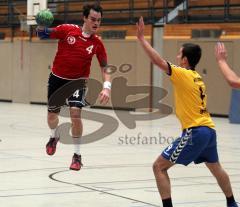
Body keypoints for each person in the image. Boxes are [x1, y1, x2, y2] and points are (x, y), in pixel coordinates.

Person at [136, 17, 238, 207]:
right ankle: (232, 203)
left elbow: (157, 61)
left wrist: (142, 39)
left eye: (178, 54)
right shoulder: (198, 77)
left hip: (195, 132)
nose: (176, 57)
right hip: (209, 131)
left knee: (158, 167)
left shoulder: (182, 73)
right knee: (216, 168)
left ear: (184, 60)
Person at [36, 3, 111, 171]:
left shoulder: (97, 43)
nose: (96, 23)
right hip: (57, 79)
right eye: (93, 19)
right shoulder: (67, 30)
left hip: (77, 82)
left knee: (75, 115)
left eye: (99, 20)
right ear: (84, 18)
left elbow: (105, 67)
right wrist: (41, 24)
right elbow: (42, 34)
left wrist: (106, 86)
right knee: (51, 117)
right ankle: (54, 137)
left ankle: (77, 156)